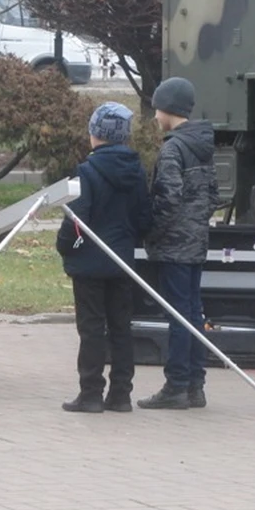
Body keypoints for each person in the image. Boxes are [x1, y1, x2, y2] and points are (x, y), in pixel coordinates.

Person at [56, 102, 153, 413]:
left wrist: (64, 246)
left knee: (92, 328)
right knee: (122, 327)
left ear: (94, 134)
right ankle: (121, 393)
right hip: (122, 260)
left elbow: (76, 218)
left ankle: (91, 392)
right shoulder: (136, 172)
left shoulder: (86, 172)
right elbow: (144, 217)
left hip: (89, 263)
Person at [137, 77, 219, 410]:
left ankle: (176, 385)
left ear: (168, 108)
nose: (155, 116)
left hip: (173, 246)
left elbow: (167, 199)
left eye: (157, 108)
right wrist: (196, 223)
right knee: (193, 313)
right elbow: (214, 195)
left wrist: (152, 232)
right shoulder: (202, 145)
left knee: (178, 316)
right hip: (197, 242)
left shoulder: (173, 148)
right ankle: (196, 385)